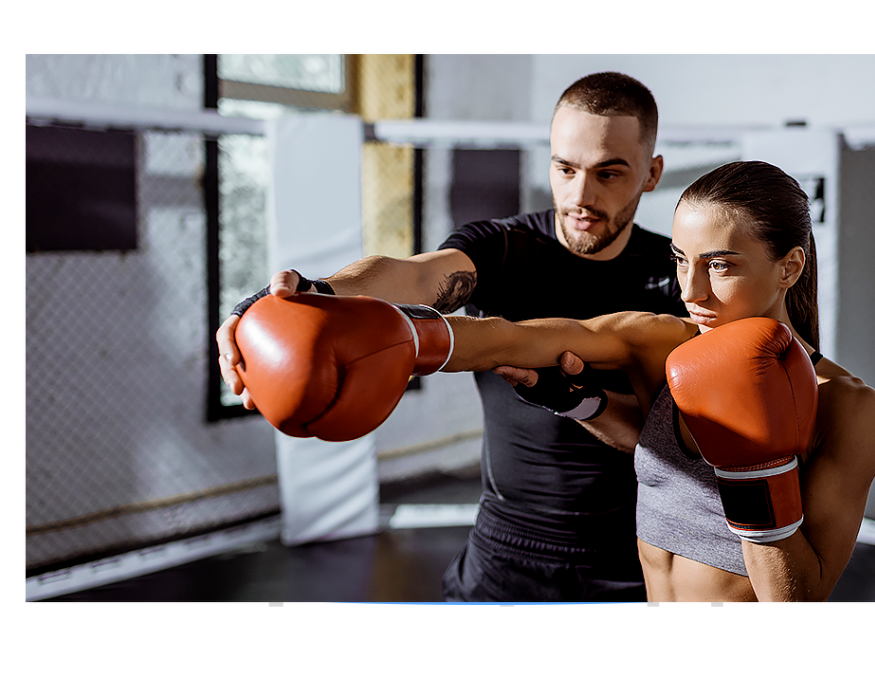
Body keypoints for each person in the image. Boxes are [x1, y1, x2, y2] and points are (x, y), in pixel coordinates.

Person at [218, 72, 688, 602]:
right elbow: (415, 276)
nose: (581, 195)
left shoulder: (679, 279)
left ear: (651, 174)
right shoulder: (505, 247)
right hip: (503, 554)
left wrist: (584, 402)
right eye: (565, 168)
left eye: (609, 173)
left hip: (635, 557)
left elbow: (673, 442)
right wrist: (314, 292)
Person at [441, 160, 875, 604]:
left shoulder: (847, 408)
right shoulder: (664, 345)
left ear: (789, 268)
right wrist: (412, 336)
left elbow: (798, 601)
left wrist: (755, 474)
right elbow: (516, 339)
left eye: (718, 265)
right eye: (680, 260)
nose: (691, 291)